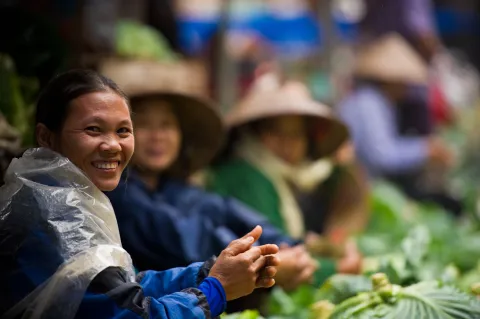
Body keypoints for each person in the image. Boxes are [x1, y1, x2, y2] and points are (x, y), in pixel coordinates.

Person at [0, 70, 280, 319]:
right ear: (47, 137)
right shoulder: (56, 217)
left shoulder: (73, 197)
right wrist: (216, 288)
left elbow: (122, 286)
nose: (112, 145)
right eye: (93, 129)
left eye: (123, 130)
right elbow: (129, 311)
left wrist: (208, 271)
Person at [105, 87, 319, 303]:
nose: (157, 136)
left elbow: (225, 210)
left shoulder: (173, 189)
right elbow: (189, 239)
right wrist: (265, 260)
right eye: (144, 125)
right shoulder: (119, 193)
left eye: (166, 125)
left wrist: (285, 244)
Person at [207, 73, 366, 282]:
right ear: (255, 133)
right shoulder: (247, 177)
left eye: (296, 135)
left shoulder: (282, 175)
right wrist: (337, 268)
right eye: (276, 133)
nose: (287, 144)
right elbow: (272, 257)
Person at [337, 33, 462, 216]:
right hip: (357, 192)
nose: (406, 89)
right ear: (391, 81)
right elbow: (382, 155)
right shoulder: (370, 104)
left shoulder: (375, 102)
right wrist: (425, 149)